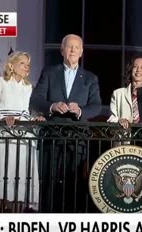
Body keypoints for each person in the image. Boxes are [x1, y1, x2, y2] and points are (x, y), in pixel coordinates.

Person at [30, 34, 102, 213]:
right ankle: (46, 224)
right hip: (51, 137)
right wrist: (52, 106)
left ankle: (73, 227)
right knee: (48, 182)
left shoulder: (90, 78)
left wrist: (80, 111)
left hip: (76, 139)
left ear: (81, 52)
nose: (72, 50)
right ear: (62, 50)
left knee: (75, 184)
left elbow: (96, 106)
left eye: (76, 47)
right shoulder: (49, 72)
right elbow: (35, 100)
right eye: (69, 47)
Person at [0, 51, 45, 212]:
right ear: (12, 65)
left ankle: (15, 222)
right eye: (23, 63)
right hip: (3, 136)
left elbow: (27, 112)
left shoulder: (28, 87)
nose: (27, 67)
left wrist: (36, 118)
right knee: (1, 174)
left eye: (28, 65)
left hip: (24, 137)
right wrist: (3, 118)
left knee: (20, 177)